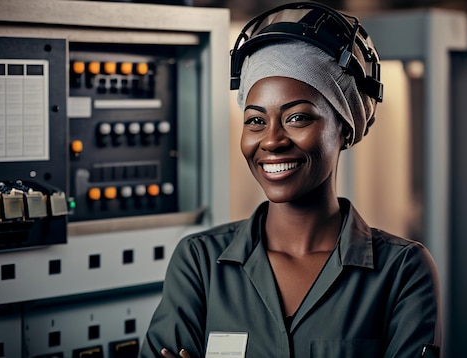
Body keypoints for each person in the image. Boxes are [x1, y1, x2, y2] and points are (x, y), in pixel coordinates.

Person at [140, 2, 442, 357]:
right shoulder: (200, 263)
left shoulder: (402, 271)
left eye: (297, 118)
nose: (271, 140)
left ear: (344, 129)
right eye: (255, 121)